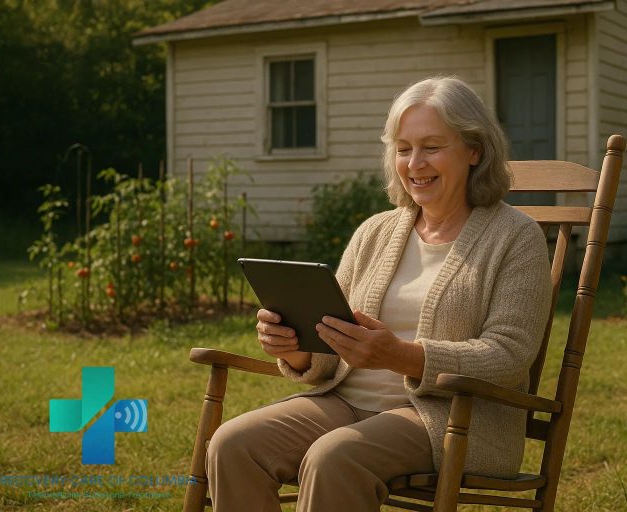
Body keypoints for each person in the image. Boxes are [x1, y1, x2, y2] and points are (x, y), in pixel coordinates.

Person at [205, 76, 552, 511]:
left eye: (432, 147)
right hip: (345, 401)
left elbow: (509, 354)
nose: (415, 163)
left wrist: (401, 356)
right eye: (403, 149)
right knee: (233, 444)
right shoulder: (376, 231)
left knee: (334, 458)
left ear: (474, 150)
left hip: (446, 419)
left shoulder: (517, 237)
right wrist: (296, 349)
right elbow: (333, 340)